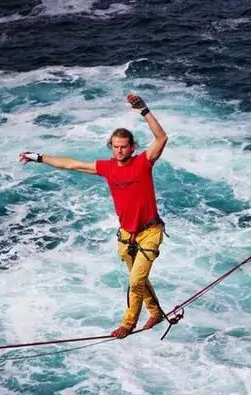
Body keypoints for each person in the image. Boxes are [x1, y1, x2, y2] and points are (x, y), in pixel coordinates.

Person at [19, 93, 169, 339]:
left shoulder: (143, 162)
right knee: (137, 279)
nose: (120, 150)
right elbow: (70, 164)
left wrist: (144, 110)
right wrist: (37, 157)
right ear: (112, 147)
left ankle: (128, 323)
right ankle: (155, 311)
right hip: (126, 236)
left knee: (135, 281)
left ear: (132, 147)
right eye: (116, 146)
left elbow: (162, 138)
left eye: (124, 146)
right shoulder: (106, 167)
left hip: (150, 232)